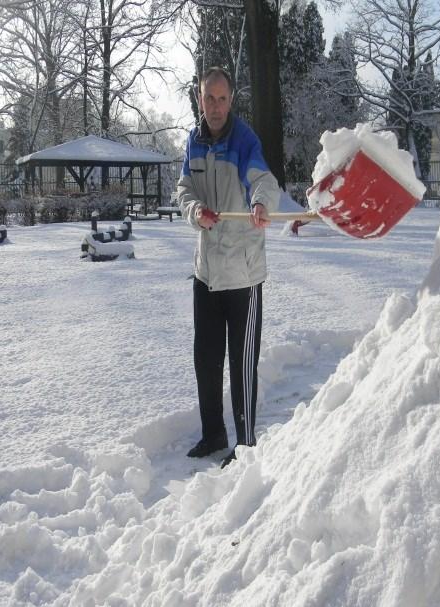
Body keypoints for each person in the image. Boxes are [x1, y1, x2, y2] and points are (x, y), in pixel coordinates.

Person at [177, 67, 280, 468]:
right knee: (206, 357)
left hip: (242, 272)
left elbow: (263, 180)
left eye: (222, 99)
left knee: (242, 362)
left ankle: (246, 445)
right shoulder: (194, 141)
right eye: (209, 99)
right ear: (199, 99)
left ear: (231, 100)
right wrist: (194, 212)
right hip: (207, 271)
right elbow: (184, 189)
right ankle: (213, 433)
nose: (215, 107)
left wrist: (259, 203)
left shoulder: (244, 139)